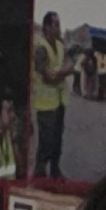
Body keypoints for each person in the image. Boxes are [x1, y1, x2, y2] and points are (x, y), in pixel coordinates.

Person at [29, 10, 67, 177]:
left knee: (57, 140)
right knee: (47, 141)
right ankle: (39, 172)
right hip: (45, 104)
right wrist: (65, 72)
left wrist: (62, 72)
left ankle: (55, 170)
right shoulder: (40, 48)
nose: (58, 28)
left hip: (59, 101)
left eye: (58, 24)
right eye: (55, 24)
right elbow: (49, 77)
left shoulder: (59, 45)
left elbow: (66, 63)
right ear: (46, 27)